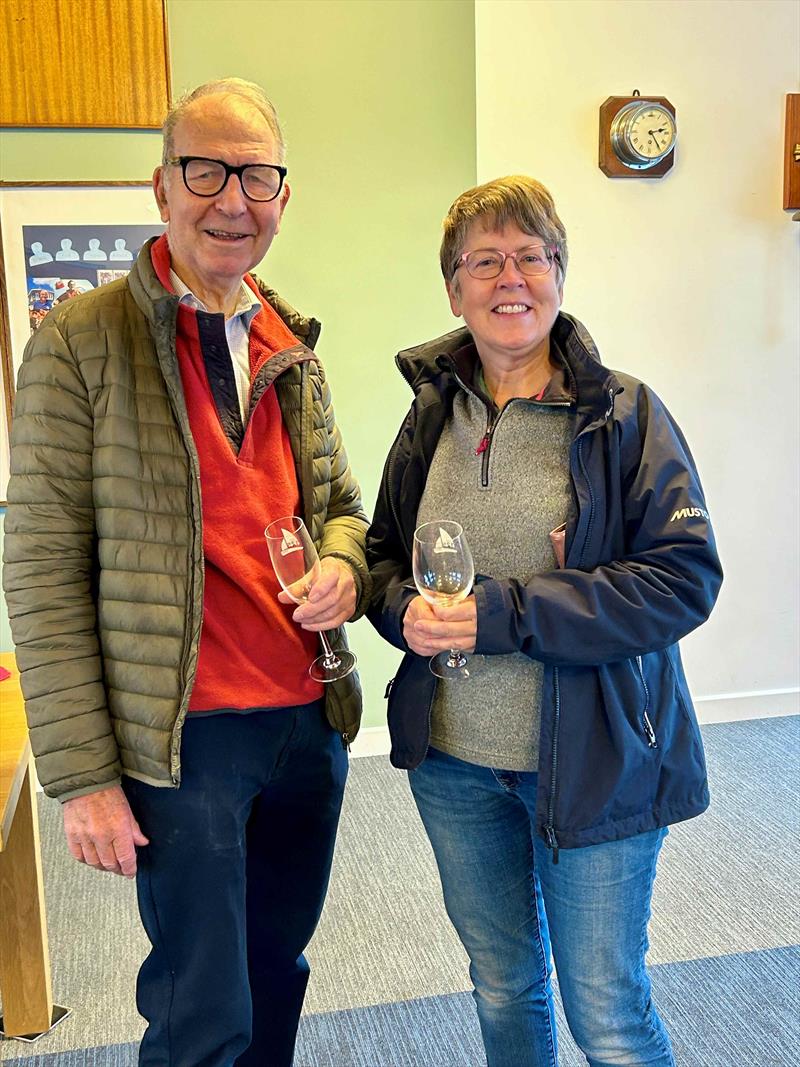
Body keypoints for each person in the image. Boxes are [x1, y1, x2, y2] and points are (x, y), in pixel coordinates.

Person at [4, 78, 369, 1067]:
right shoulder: (81, 343)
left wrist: (341, 566)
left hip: (305, 720)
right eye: (203, 169)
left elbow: (341, 509)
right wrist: (82, 776)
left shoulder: (291, 341)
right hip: (184, 737)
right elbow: (38, 568)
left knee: (275, 971)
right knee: (202, 1008)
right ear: (160, 186)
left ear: (282, 197)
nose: (231, 197)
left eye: (256, 174)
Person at [366, 175, 722, 1067]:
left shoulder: (625, 415)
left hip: (594, 757)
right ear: (454, 289)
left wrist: (502, 612)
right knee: (502, 982)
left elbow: (682, 579)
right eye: (483, 261)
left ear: (560, 275)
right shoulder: (431, 415)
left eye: (530, 256)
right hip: (455, 765)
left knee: (605, 1011)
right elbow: (379, 556)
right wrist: (401, 608)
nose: (508, 278)